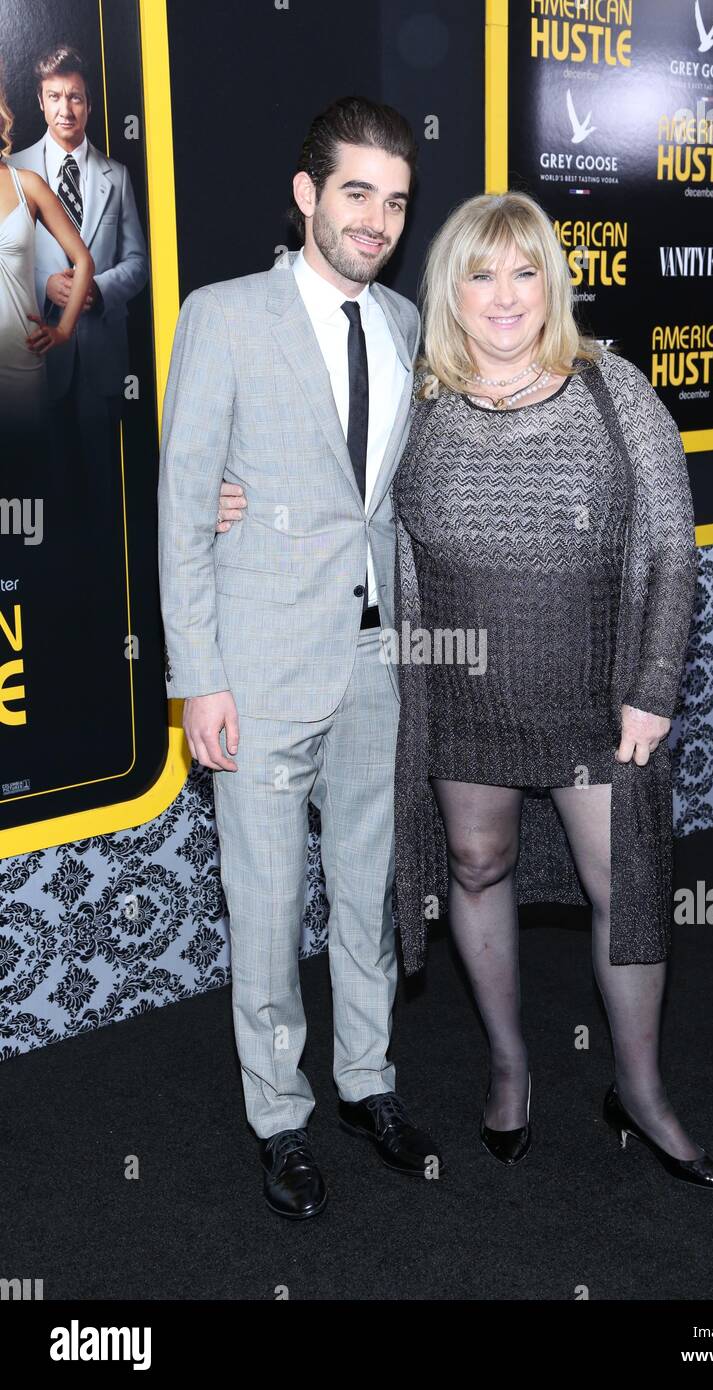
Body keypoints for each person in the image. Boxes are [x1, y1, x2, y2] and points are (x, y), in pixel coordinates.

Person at [220, 190, 713, 1193]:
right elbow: (336, 494)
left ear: (551, 280)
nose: (502, 294)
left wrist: (653, 684)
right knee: (472, 862)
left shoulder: (611, 389)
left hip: (596, 693)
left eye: (521, 269)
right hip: (457, 692)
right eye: (477, 271)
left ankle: (640, 1087)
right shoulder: (418, 403)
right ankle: (508, 1062)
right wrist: (232, 496)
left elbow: (672, 549)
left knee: (623, 887)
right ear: (449, 289)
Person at [158, 96, 442, 1221]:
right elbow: (186, 509)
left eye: (395, 201)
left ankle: (366, 1081)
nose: (375, 220)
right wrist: (198, 678)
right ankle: (278, 1115)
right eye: (356, 193)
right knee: (268, 906)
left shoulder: (410, 325)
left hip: (377, 663)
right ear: (306, 196)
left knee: (367, 894)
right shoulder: (222, 316)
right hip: (260, 670)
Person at [8, 43, 148, 524]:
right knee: (44, 487)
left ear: (89, 103)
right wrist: (47, 282)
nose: (66, 109)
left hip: (102, 356)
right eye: (55, 97)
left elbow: (138, 262)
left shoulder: (118, 176)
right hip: (31, 351)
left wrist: (98, 289)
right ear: (40, 102)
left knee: (102, 487)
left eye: (76, 97)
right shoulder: (14, 173)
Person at [0, 73, 93, 455]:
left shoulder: (28, 184)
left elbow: (83, 260)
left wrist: (64, 330)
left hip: (21, 364)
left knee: (27, 490)